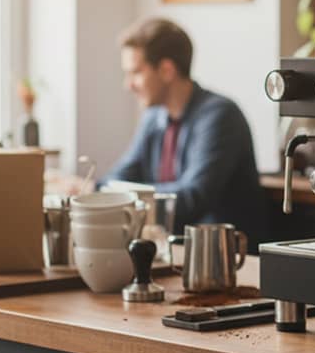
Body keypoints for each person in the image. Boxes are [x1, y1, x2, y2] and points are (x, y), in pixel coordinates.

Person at [104, 18, 266, 248]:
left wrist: (121, 196)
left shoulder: (220, 115)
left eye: (136, 73)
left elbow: (193, 197)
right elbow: (118, 178)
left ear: (167, 70)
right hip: (170, 251)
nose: (128, 84)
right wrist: (90, 190)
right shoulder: (154, 117)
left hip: (222, 260)